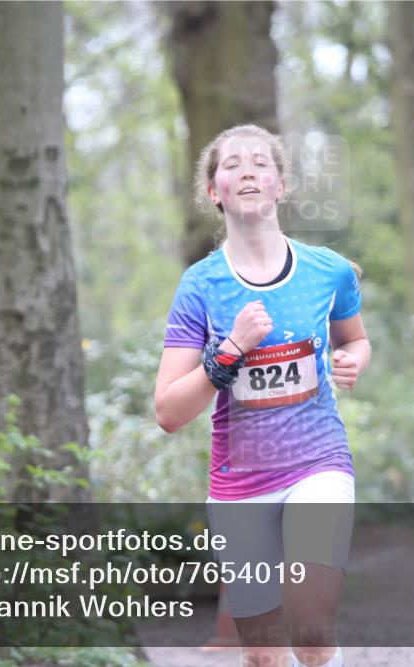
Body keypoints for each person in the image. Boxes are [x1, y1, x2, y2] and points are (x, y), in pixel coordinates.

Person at [155, 124, 370, 667]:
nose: (247, 169)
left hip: (318, 463)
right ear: (214, 191)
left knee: (312, 624)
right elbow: (169, 411)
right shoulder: (200, 287)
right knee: (263, 655)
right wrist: (229, 350)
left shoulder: (329, 271)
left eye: (260, 163)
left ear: (281, 185)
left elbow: (356, 338)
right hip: (239, 484)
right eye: (231, 164)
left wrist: (354, 361)